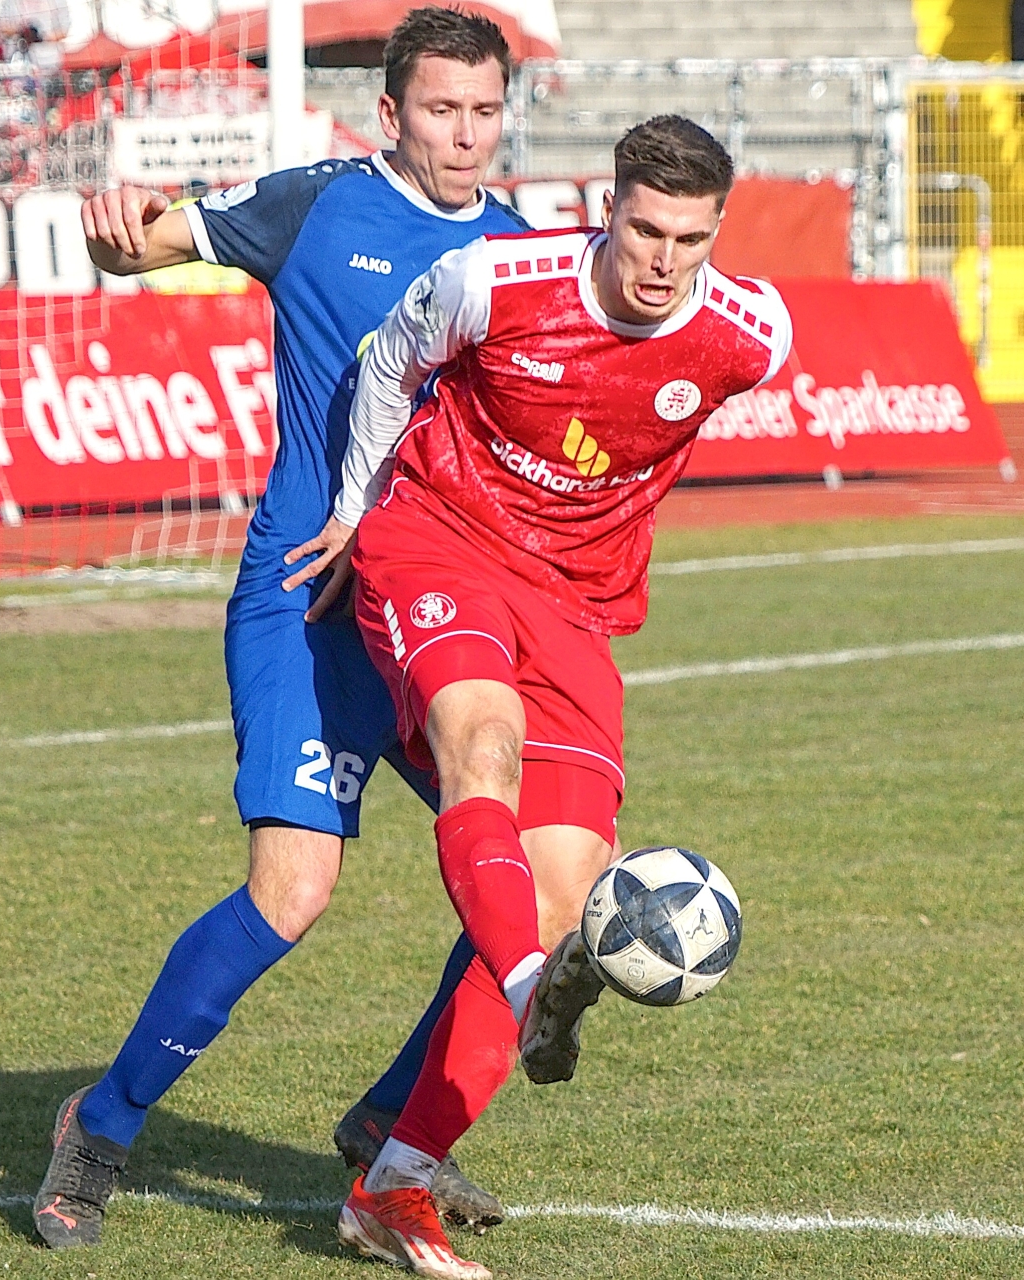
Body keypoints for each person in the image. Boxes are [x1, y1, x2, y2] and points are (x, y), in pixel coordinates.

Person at [32, 7, 527, 1251]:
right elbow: (144, 244)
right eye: (440, 110)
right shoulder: (318, 206)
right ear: (392, 114)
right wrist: (115, 221)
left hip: (435, 608)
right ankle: (100, 1122)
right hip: (307, 603)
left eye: (483, 111)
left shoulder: (525, 250)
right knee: (293, 889)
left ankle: (392, 1127)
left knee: (528, 879)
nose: (463, 134)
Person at [286, 115, 792, 1278]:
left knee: (562, 900)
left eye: (693, 240)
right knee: (481, 741)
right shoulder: (490, 280)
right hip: (440, 542)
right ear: (604, 207)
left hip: (576, 605)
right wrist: (360, 509)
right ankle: (529, 982)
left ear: (720, 235)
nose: (665, 260)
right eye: (647, 229)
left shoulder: (750, 332)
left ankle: (391, 1186)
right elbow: (386, 366)